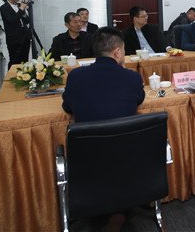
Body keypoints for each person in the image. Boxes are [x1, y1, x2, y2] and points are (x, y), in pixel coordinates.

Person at [62, 26, 144, 232]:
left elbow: (68, 107)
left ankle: (100, 212)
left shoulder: (76, 76)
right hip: (127, 154)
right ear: (117, 52)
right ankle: (119, 213)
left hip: (86, 156)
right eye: (123, 50)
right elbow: (138, 99)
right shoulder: (132, 77)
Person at [0, 0, 32, 67]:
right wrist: (21, 9)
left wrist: (23, 11)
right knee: (14, 62)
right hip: (14, 39)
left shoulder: (19, 5)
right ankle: (11, 76)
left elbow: (27, 21)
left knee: (25, 62)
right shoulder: (4, 8)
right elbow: (12, 21)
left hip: (25, 37)